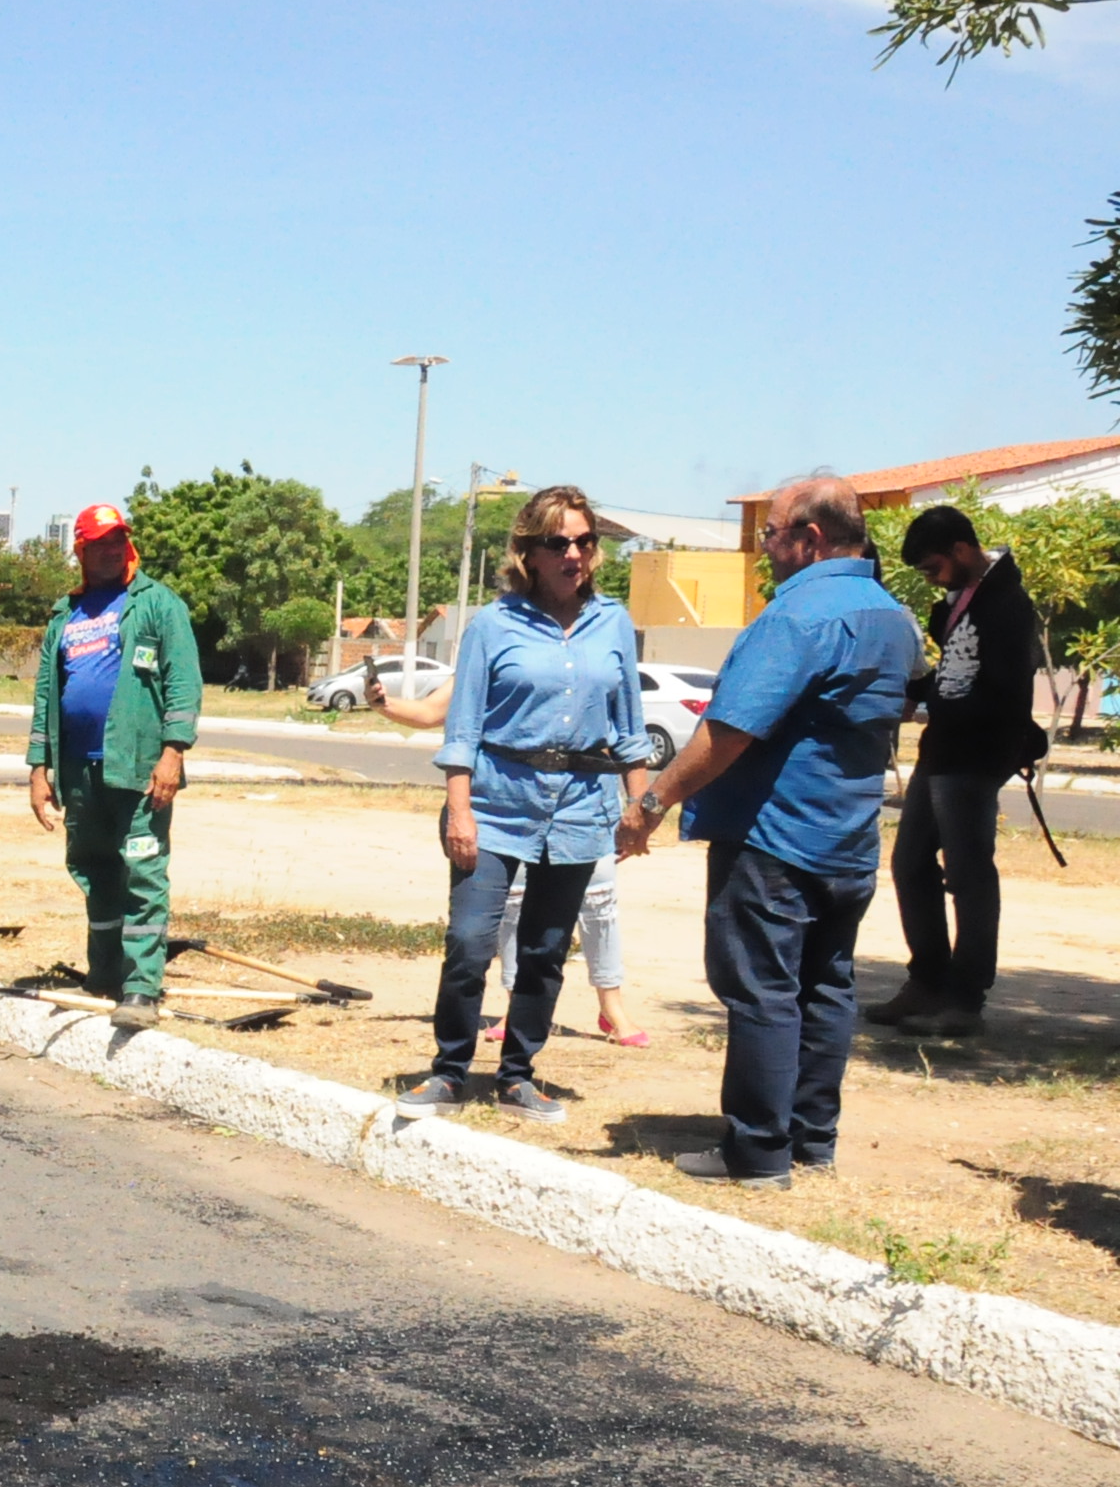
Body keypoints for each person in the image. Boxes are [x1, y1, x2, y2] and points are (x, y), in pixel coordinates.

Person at [621, 476, 916, 1189]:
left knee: (760, 989)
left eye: (772, 534)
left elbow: (728, 731)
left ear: (810, 539)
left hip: (772, 838)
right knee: (826, 987)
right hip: (848, 839)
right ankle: (813, 1141)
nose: (766, 550)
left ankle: (756, 1152)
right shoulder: (893, 617)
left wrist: (653, 799)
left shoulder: (797, 618)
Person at [390, 487, 651, 1122]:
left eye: (585, 542)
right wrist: (460, 810)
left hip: (580, 808)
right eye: (558, 542)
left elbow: (628, 726)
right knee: (469, 943)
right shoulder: (493, 625)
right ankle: (449, 1071)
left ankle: (518, 1076)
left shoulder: (613, 622)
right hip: (497, 803)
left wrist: (640, 806)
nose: (574, 554)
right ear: (528, 552)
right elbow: (463, 728)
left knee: (544, 950)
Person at [370, 669, 648, 1047]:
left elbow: (629, 732)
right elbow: (431, 712)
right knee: (515, 904)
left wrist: (638, 806)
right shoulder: (498, 648)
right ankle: (516, 1003)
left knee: (600, 901)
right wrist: (382, 703)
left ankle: (612, 1007)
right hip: (512, 799)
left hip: (586, 799)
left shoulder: (598, 644)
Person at [24, 502, 199, 1030]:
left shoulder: (157, 604)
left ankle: (142, 988)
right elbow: (44, 693)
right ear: (80, 549)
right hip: (79, 770)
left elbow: (183, 682)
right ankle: (104, 974)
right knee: (94, 868)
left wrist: (173, 750)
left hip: (140, 766)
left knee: (142, 867)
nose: (110, 549)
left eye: (117, 540)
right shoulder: (65, 613)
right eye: (98, 542)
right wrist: (39, 766)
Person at [875, 503, 1044, 1036]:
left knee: (968, 877)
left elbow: (1004, 695)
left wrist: (941, 707)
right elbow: (953, 677)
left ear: (963, 551)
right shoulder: (960, 601)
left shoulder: (1008, 606)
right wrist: (915, 693)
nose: (931, 579)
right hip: (941, 751)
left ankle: (965, 1000)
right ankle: (926, 981)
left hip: (974, 758)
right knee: (909, 864)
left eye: (933, 567)